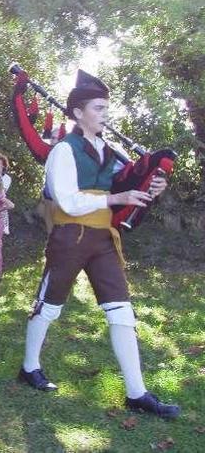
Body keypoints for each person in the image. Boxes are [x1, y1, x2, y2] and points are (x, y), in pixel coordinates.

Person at [17, 70, 179, 419]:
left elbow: (126, 184)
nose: (105, 113)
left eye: (107, 107)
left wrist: (150, 185)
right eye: (98, 107)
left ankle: (136, 392)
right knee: (49, 306)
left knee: (122, 312)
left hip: (104, 238)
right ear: (77, 113)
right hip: (69, 236)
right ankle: (30, 366)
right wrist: (114, 196)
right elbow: (67, 201)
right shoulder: (63, 150)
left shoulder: (108, 150)